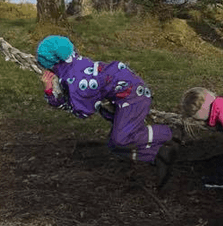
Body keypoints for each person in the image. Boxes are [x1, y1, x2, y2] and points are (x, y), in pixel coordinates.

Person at [36, 35, 179, 187]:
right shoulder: (76, 64)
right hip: (123, 96)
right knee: (114, 145)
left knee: (121, 139)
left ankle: (170, 133)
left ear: (52, 63)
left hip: (132, 97)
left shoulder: (77, 81)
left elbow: (83, 111)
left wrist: (50, 92)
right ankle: (159, 155)